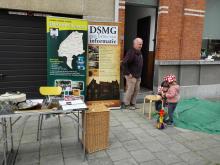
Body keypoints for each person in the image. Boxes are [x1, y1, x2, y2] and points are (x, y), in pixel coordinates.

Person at [121, 38, 143, 110]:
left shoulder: (139, 52)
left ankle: (133, 103)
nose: (141, 46)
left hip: (138, 75)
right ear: (135, 44)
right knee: (130, 90)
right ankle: (126, 104)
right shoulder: (131, 52)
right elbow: (124, 63)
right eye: (139, 44)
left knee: (136, 90)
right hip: (131, 75)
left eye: (141, 44)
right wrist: (128, 73)